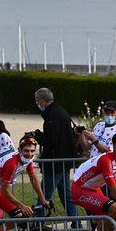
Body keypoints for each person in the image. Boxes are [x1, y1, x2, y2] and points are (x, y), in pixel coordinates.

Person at [33, 87, 77, 221]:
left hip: (54, 163)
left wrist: (37, 135)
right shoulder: (61, 112)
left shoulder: (52, 115)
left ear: (42, 101)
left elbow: (51, 141)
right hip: (63, 161)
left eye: (37, 102)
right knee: (66, 196)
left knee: (44, 196)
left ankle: (37, 226)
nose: (37, 105)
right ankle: (77, 226)